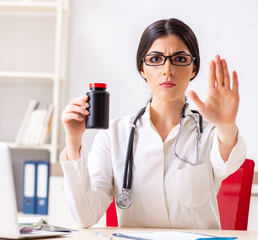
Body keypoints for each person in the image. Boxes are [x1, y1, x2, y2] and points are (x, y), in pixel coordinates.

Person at [60, 18, 247, 229]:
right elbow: (84, 216)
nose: (167, 69)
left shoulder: (211, 133)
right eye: (156, 58)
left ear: (194, 68)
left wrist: (226, 124)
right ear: (142, 68)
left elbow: (230, 162)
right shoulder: (113, 136)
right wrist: (73, 140)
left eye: (180, 58)